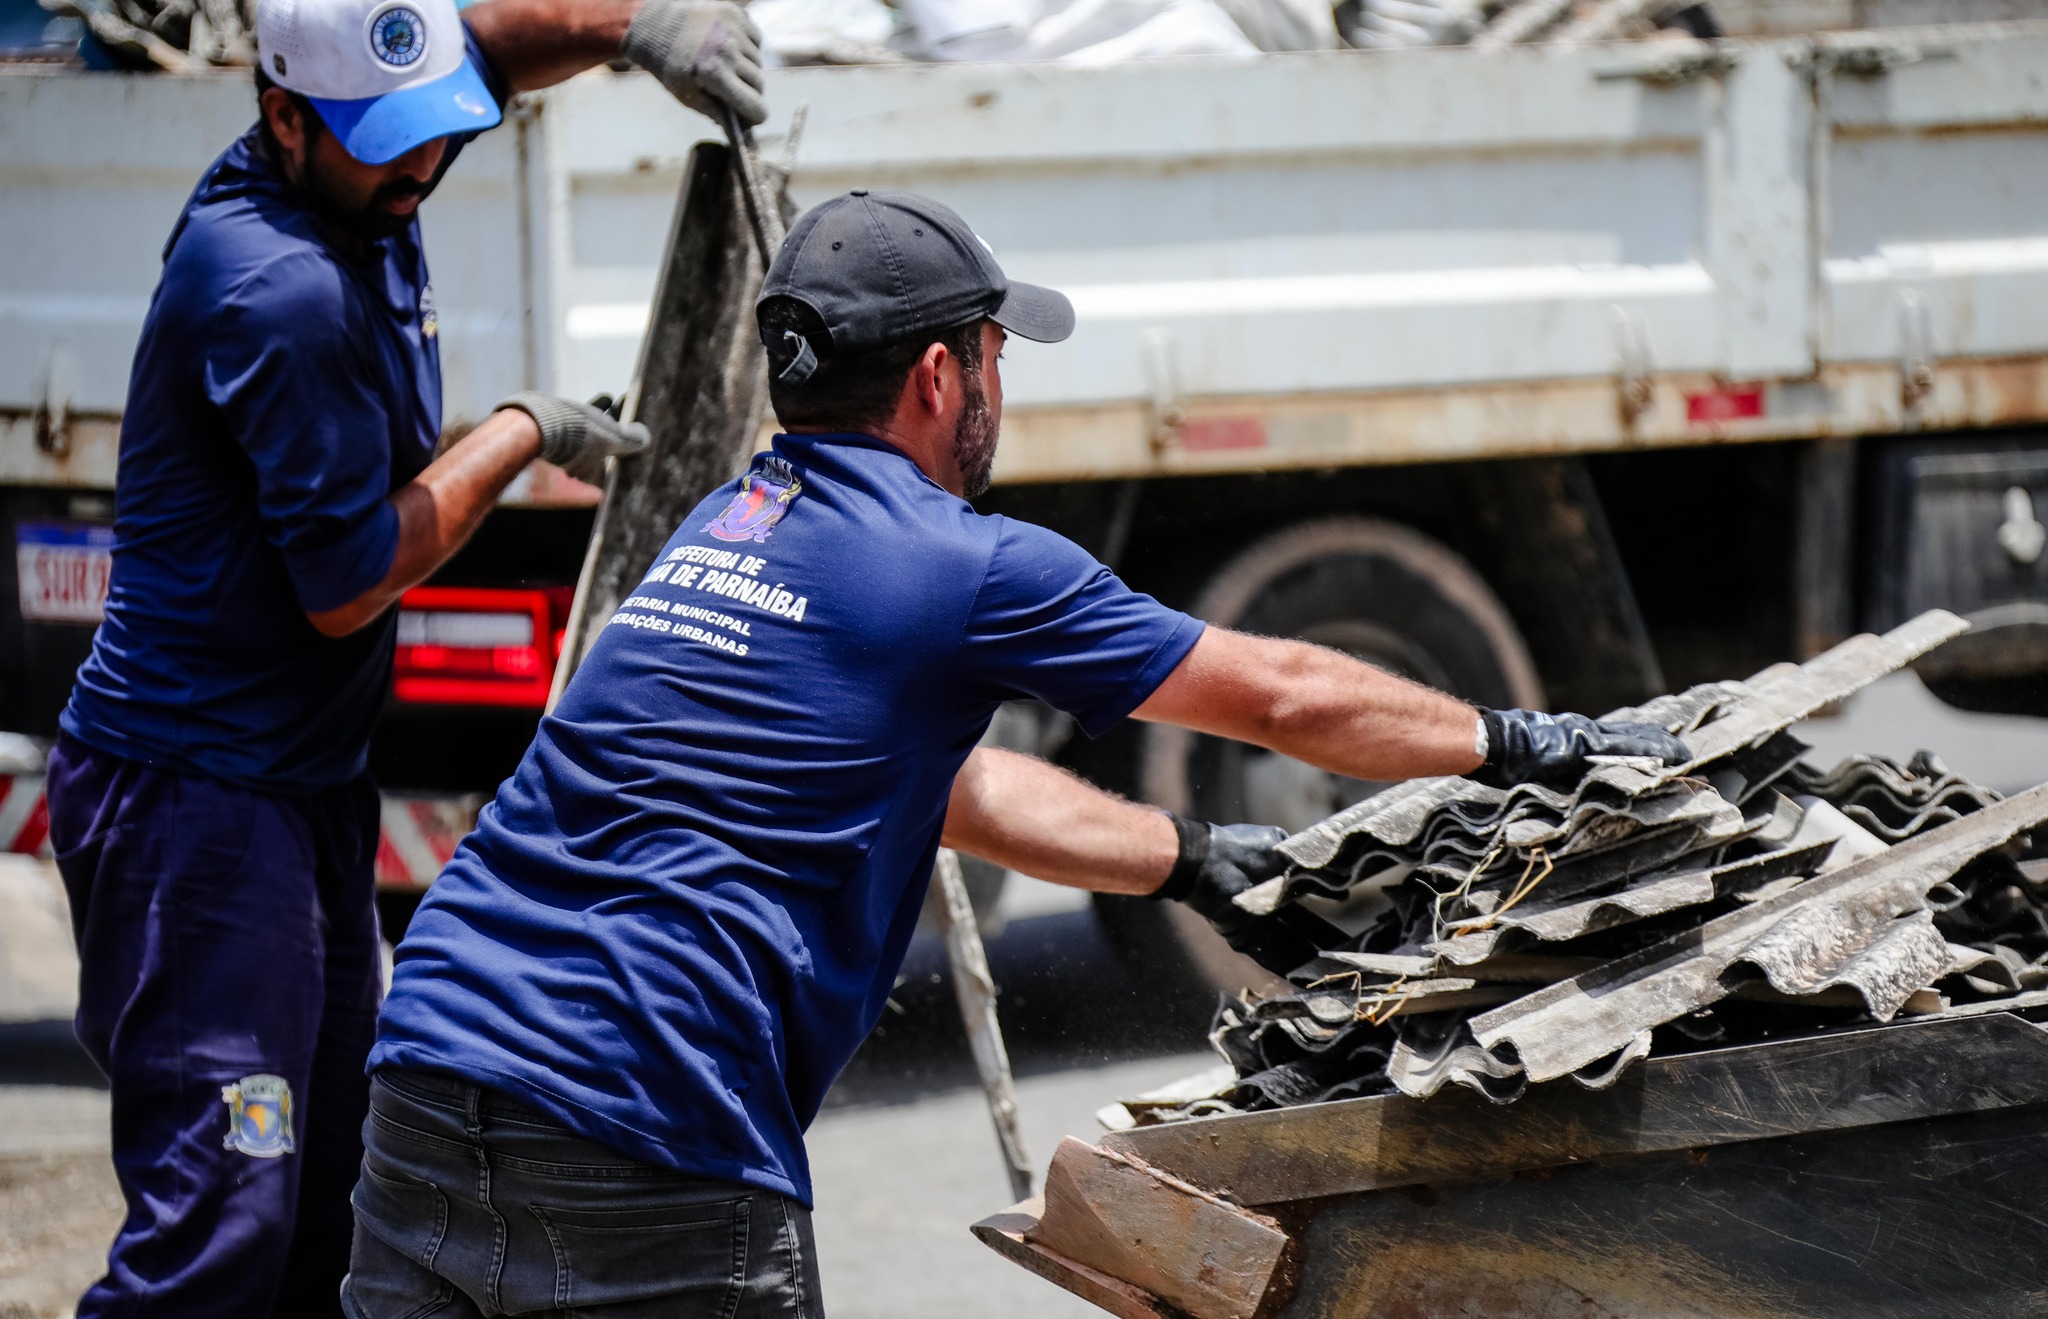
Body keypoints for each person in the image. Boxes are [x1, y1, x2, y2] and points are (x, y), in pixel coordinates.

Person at [346, 191, 1689, 1317]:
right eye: (995, 351)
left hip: (427, 1080)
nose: (1002, 382)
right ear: (942, 376)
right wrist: (1525, 741)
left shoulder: (730, 527)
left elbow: (950, 787)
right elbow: (1277, 695)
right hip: (638, 1123)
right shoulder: (960, 565)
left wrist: (1197, 860)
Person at [42, 0, 766, 1312]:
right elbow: (349, 583)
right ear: (280, 120)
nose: (423, 169)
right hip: (192, 810)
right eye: (391, 146)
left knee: (330, 1206)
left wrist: (636, 27)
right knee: (222, 1222)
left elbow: (477, 49)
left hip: (294, 790)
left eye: (436, 135)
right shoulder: (281, 287)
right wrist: (518, 430)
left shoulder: (357, 155)